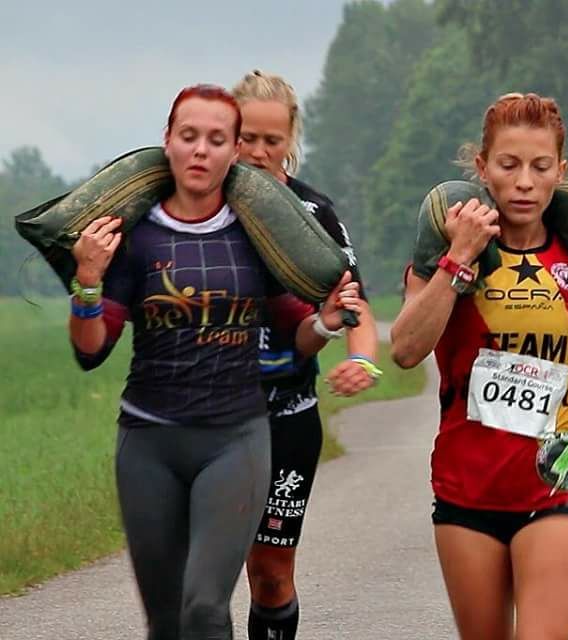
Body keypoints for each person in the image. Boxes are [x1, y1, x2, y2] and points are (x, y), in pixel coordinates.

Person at [67, 84, 360, 640]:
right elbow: (90, 349)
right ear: (167, 145)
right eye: (189, 136)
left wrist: (324, 321)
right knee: (167, 620)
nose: (201, 150)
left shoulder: (258, 232)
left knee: (204, 608)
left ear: (233, 153)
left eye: (216, 139)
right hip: (149, 443)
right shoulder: (136, 237)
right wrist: (87, 281)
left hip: (235, 439)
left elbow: (296, 335)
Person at [390, 92, 568, 640]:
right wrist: (458, 258)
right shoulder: (446, 252)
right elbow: (404, 350)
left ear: (560, 174)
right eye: (509, 165)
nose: (524, 182)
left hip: (557, 480)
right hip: (466, 489)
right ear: (482, 169)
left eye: (540, 167)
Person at [231, 69, 380, 640]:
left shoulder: (314, 212)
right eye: (247, 137)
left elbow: (352, 303)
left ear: (291, 140)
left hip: (287, 419)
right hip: (211, 417)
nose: (259, 152)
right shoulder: (199, 210)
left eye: (272, 140)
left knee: (270, 574)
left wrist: (363, 360)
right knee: (211, 573)